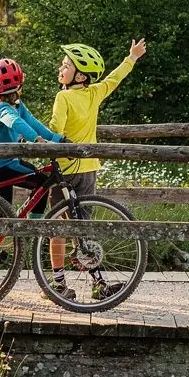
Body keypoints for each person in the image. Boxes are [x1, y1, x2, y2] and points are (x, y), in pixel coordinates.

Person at [48, 39, 146, 297]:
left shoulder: (63, 96)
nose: (61, 68)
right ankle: (98, 284)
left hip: (65, 171)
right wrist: (132, 58)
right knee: (84, 227)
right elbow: (114, 79)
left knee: (56, 228)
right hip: (89, 169)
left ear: (79, 74)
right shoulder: (93, 93)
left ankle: (58, 284)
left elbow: (55, 131)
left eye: (65, 65)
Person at [0, 58, 63, 211]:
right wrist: (37, 139)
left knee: (4, 213)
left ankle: (15, 232)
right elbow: (15, 122)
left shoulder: (17, 105)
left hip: (4, 163)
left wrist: (56, 138)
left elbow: (32, 122)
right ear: (19, 85)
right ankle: (31, 230)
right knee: (42, 184)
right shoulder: (1, 108)